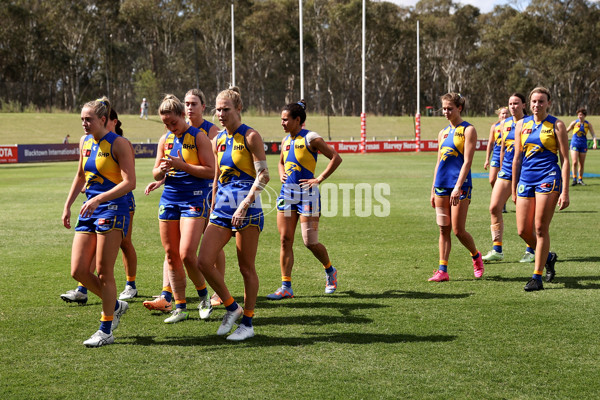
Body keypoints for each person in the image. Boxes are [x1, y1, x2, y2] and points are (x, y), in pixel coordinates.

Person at [143, 88, 227, 311]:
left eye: (193, 103)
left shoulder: (208, 132)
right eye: (187, 103)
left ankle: (217, 290)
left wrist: (218, 191)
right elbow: (162, 170)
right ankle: (169, 297)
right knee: (173, 252)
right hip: (172, 197)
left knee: (207, 246)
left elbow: (213, 169)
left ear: (202, 107)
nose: (190, 107)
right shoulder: (167, 138)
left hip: (203, 195)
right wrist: (160, 176)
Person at [61, 97, 136, 347]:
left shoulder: (120, 143)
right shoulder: (84, 141)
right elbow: (81, 174)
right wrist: (68, 204)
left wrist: (100, 198)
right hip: (89, 209)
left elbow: (129, 182)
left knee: (104, 271)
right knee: (79, 271)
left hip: (114, 209)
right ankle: (114, 304)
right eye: (82, 119)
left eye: (89, 119)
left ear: (103, 120)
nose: (84, 123)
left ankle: (106, 329)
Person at [197, 86, 269, 341]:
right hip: (221, 209)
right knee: (203, 261)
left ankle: (247, 322)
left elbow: (264, 175)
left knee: (246, 268)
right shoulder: (217, 140)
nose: (220, 114)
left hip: (247, 210)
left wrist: (245, 204)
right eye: (217, 109)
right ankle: (231, 307)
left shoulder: (250, 136)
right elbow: (216, 179)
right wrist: (213, 205)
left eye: (226, 109)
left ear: (238, 109)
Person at [266, 100, 342, 300]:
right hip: (286, 194)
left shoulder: (311, 138)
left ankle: (330, 271)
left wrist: (319, 179)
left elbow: (336, 157)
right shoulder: (285, 141)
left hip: (308, 194)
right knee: (285, 240)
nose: (282, 123)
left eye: (285, 120)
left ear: (297, 120)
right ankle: (286, 287)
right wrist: (281, 173)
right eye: (281, 120)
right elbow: (281, 161)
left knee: (310, 242)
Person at [512, 87, 569, 291]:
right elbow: (517, 158)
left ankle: (536, 277)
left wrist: (565, 191)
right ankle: (549, 257)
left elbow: (564, 160)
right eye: (534, 101)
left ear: (548, 103)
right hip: (526, 179)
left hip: (548, 178)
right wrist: (513, 187)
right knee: (522, 230)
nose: (537, 105)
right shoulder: (521, 124)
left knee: (539, 228)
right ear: (530, 103)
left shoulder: (557, 125)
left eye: (541, 101)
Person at [429, 93, 484, 282]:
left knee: (458, 230)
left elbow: (467, 162)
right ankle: (442, 270)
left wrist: (458, 187)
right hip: (441, 187)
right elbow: (438, 162)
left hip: (460, 186)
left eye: (449, 108)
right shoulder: (442, 132)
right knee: (443, 229)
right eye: (444, 108)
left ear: (459, 108)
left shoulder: (468, 130)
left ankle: (476, 256)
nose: (446, 112)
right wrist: (433, 188)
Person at [482, 93, 536, 263]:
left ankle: (531, 250)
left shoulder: (530, 122)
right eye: (510, 104)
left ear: (524, 105)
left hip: (525, 172)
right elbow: (504, 148)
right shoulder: (503, 124)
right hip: (505, 171)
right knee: (494, 207)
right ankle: (497, 249)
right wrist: (499, 167)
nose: (513, 106)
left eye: (516, 103)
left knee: (528, 215)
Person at [566, 108, 597, 186]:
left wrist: (594, 143)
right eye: (578, 114)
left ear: (584, 115)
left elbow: (593, 134)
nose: (579, 116)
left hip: (583, 145)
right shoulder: (574, 123)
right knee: (574, 162)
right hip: (574, 144)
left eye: (581, 115)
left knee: (581, 163)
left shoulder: (588, 124)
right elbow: (567, 130)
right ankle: (574, 179)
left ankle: (580, 179)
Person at [484, 107, 510, 189]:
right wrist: (487, 159)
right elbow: (491, 143)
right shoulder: (495, 126)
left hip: (507, 156)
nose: (505, 115)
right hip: (496, 156)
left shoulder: (513, 125)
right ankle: (498, 198)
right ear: (499, 115)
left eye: (506, 113)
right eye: (503, 113)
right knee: (492, 180)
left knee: (505, 180)